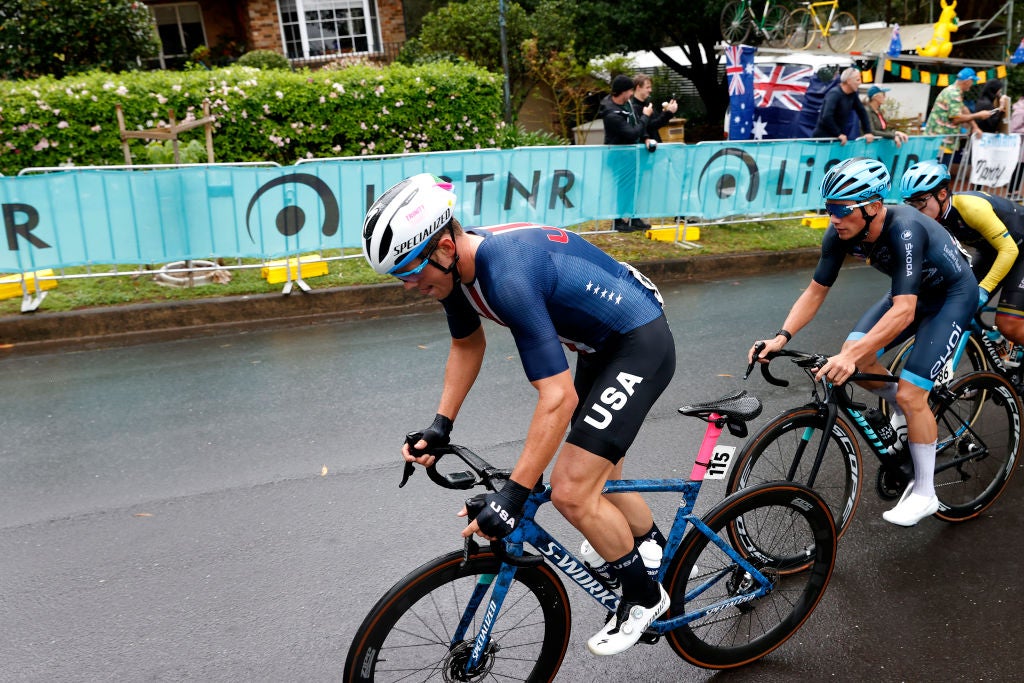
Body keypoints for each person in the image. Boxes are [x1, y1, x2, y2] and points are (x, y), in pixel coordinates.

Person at [362, 173, 675, 655]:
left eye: (409, 269)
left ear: (445, 247)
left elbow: (557, 397)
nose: (408, 285)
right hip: (601, 346)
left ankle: (643, 598)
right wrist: (441, 425)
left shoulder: (505, 275)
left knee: (572, 490)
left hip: (638, 343)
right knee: (601, 477)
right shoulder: (457, 275)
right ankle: (651, 546)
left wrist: (513, 495)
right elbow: (467, 343)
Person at [749, 158, 977, 527]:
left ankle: (925, 493)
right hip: (912, 294)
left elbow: (903, 311)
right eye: (828, 208)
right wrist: (781, 336)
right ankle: (905, 411)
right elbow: (815, 290)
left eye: (841, 209)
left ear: (872, 207)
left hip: (952, 295)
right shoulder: (838, 234)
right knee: (860, 360)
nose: (834, 217)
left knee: (906, 390)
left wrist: (851, 355)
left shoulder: (904, 228)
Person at [900, 160, 1024, 351]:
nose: (916, 209)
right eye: (911, 203)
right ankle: (994, 343)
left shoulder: (971, 208)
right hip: (990, 250)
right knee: (957, 300)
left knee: (1008, 324)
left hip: (1017, 248)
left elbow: (1009, 250)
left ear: (942, 194)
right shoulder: (932, 217)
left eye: (921, 201)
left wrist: (984, 289)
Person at [598, 74, 653, 232]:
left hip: (632, 155)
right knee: (622, 188)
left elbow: (636, 124)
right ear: (623, 92)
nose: (631, 94)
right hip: (618, 155)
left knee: (634, 187)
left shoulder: (627, 104)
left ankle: (634, 218)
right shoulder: (611, 114)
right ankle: (618, 220)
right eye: (629, 90)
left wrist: (646, 137)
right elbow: (632, 133)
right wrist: (646, 116)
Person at [923, 68, 994, 167]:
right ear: (967, 81)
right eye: (972, 81)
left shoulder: (953, 90)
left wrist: (974, 126)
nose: (972, 84)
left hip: (940, 143)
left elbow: (963, 108)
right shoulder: (954, 94)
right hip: (941, 144)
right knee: (937, 177)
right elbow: (956, 119)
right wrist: (979, 115)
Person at [812, 68, 876, 145]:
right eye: (858, 80)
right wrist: (838, 133)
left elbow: (862, 112)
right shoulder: (834, 94)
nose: (860, 83)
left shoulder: (852, 94)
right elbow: (826, 116)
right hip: (823, 138)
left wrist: (867, 132)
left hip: (838, 138)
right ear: (848, 81)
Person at [630, 73, 678, 145]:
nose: (650, 90)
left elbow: (658, 121)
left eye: (650, 87)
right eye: (647, 87)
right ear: (638, 88)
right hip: (645, 149)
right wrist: (668, 113)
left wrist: (666, 111)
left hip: (655, 147)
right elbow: (650, 127)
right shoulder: (633, 108)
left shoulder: (648, 104)